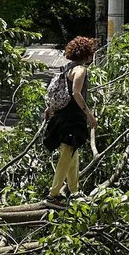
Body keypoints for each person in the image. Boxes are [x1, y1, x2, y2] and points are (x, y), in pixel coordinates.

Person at [44, 36, 97, 202]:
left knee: (73, 153)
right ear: (87, 54)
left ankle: (74, 191)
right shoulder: (80, 70)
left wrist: (50, 109)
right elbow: (75, 93)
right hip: (72, 118)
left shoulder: (67, 68)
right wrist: (90, 115)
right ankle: (53, 194)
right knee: (67, 156)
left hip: (62, 116)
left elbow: (61, 91)